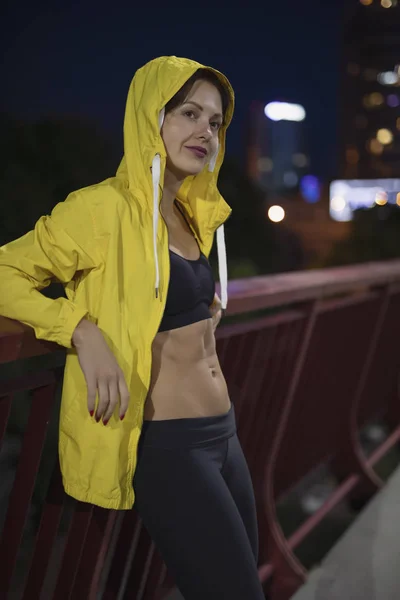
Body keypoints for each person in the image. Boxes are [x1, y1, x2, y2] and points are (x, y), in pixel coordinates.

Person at [0, 56, 265, 599]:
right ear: (152, 117)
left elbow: (164, 303)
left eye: (215, 122)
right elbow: (6, 271)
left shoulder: (188, 212)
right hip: (169, 445)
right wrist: (79, 328)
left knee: (245, 581)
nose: (205, 133)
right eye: (189, 113)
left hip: (224, 434)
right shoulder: (103, 209)